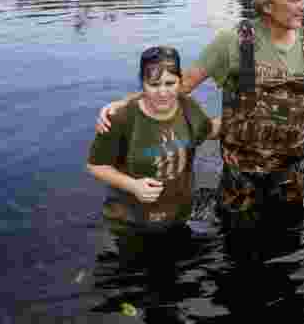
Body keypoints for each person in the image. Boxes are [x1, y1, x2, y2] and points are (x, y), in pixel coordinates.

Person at [96, 0, 304, 243]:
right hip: (241, 175)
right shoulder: (233, 42)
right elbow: (180, 85)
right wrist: (121, 105)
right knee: (236, 241)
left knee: (288, 235)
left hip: (291, 171)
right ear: (267, 7)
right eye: (295, 0)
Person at [86, 46, 220, 234]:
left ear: (180, 81)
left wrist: (247, 117)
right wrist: (133, 185)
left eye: (170, 83)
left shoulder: (189, 108)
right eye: (154, 85)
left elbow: (209, 130)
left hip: (178, 217)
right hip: (131, 223)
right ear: (142, 83)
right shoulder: (121, 118)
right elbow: (96, 166)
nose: (163, 93)